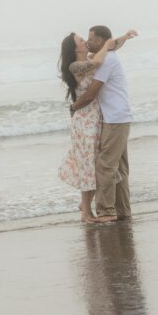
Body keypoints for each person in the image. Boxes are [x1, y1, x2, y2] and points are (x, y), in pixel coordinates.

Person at [58, 29, 137, 222]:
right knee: (88, 166)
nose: (85, 41)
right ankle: (86, 211)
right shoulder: (75, 66)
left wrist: (123, 38)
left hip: (98, 118)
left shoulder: (98, 55)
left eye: (88, 39)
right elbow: (97, 62)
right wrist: (108, 45)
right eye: (81, 40)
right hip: (85, 120)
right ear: (74, 48)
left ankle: (89, 205)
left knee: (95, 164)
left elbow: (109, 48)